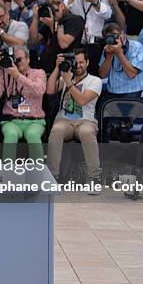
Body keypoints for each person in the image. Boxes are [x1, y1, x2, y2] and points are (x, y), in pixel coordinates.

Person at [46, 49, 102, 187]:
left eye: (81, 62)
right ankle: (52, 175)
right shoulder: (66, 77)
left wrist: (68, 83)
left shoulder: (95, 80)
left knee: (86, 132)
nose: (78, 65)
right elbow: (49, 90)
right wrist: (57, 68)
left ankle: (94, 177)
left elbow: (82, 100)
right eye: (75, 62)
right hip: (65, 120)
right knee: (56, 130)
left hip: (86, 121)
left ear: (87, 63)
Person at [0, 46, 46, 160]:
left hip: (34, 121)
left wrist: (18, 76)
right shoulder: (6, 75)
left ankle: (38, 174)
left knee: (33, 135)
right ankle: (8, 174)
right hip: (12, 120)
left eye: (19, 59)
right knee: (10, 135)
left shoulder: (39, 73)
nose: (17, 63)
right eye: (14, 60)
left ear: (28, 59)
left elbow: (39, 90)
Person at [29, 0, 84, 74]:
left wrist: (53, 25)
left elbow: (64, 44)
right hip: (48, 66)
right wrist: (35, 18)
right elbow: (33, 39)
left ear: (62, 6)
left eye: (55, 10)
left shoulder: (75, 20)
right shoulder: (48, 22)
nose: (53, 14)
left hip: (65, 67)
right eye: (50, 11)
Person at [98, 22, 143, 103]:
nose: (113, 39)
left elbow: (132, 74)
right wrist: (109, 56)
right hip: (112, 92)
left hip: (133, 91)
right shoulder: (108, 48)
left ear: (123, 33)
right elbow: (102, 75)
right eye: (109, 37)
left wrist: (119, 53)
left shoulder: (136, 47)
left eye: (115, 35)